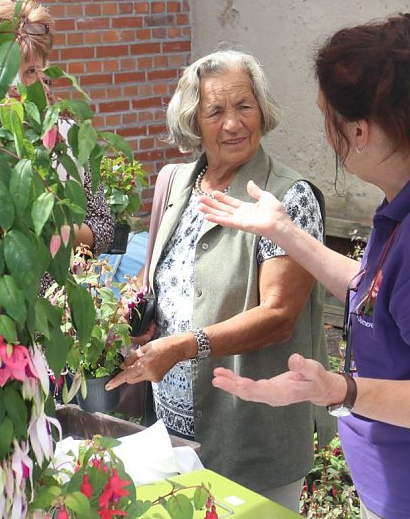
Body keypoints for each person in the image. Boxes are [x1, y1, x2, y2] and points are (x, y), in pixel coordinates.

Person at [200, 9, 410, 519]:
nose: (327, 135)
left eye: (327, 118)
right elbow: (381, 289)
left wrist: (338, 390)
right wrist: (283, 230)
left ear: (359, 131)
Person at [106, 49, 331, 508]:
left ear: (262, 110)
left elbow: (278, 317)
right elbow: (160, 281)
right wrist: (137, 320)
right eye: (216, 111)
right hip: (168, 431)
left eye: (244, 106)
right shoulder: (177, 185)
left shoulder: (287, 198)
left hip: (251, 436)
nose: (233, 123)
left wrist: (185, 345)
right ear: (194, 122)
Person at [0, 0, 113, 258]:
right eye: (7, 70)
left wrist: (50, 227)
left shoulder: (70, 135)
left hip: (54, 292)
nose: (18, 84)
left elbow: (102, 226)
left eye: (32, 71)